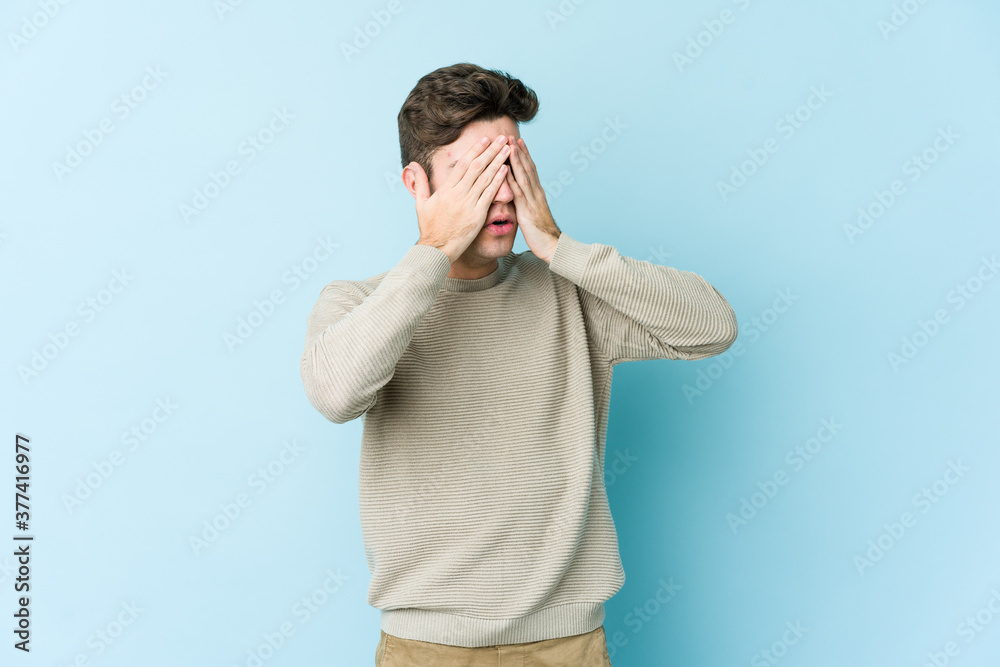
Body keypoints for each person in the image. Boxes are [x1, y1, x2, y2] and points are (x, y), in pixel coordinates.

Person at [299, 62, 739, 666]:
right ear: (416, 184)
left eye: (509, 167)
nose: (499, 191)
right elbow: (334, 393)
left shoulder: (570, 290)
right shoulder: (358, 303)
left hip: (567, 644)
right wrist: (432, 253)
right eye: (472, 173)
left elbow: (713, 326)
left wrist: (558, 247)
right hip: (427, 647)